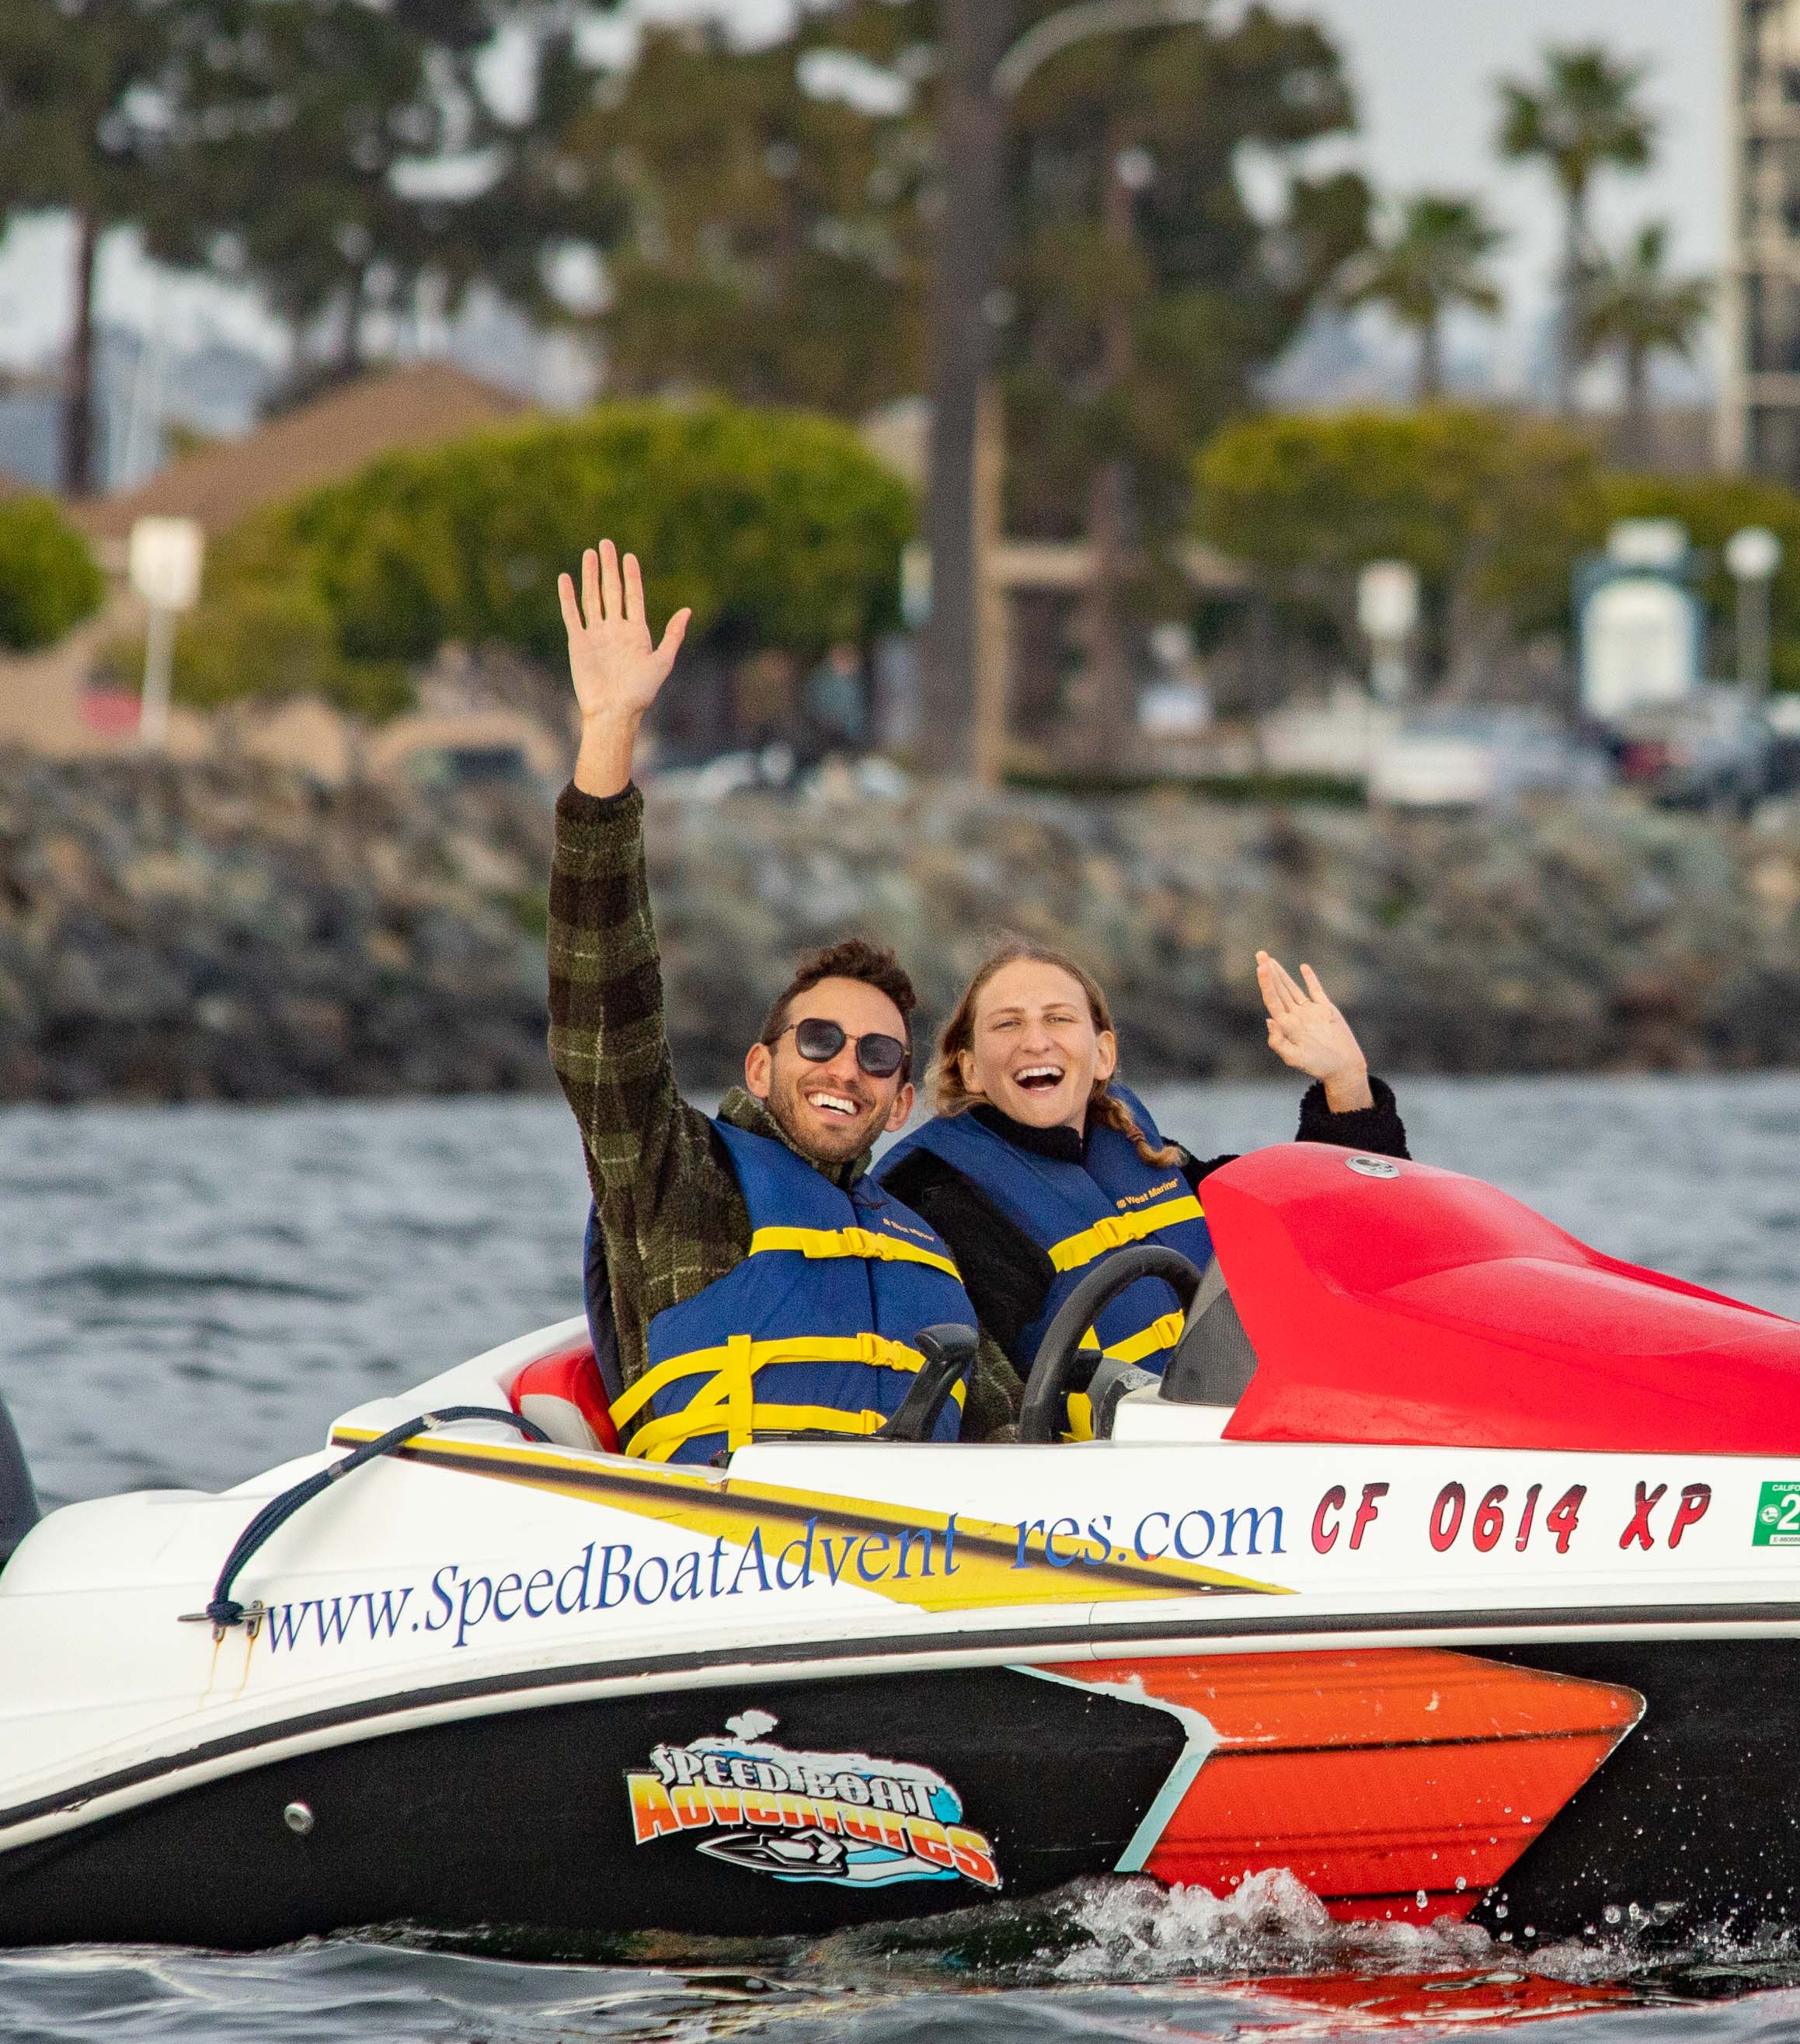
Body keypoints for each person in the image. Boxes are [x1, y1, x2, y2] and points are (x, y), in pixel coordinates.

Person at [549, 540, 1018, 1461]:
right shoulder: (677, 1184)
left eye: (878, 1056)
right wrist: (608, 735)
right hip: (719, 1551)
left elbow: (1016, 1431)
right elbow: (605, 1011)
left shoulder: (922, 1246)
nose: (847, 1065)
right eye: (819, 1038)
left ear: (901, 1103)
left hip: (929, 1566)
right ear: (761, 1065)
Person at [879, 938, 1407, 1426]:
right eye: (1007, 1025)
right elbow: (972, 1398)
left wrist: (1346, 1082)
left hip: (1230, 1441)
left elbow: (1331, 1228)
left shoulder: (1142, 1153)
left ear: (1103, 1054)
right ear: (970, 1069)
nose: (1035, 1041)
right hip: (1100, 1482)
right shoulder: (933, 1194)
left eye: (1058, 1019)